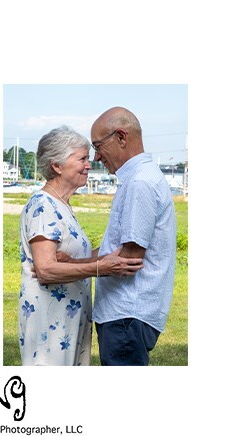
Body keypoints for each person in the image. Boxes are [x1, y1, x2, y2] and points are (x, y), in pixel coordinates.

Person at [18, 126, 143, 366]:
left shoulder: (61, 205)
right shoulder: (42, 205)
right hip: (50, 323)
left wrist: (112, 253)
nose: (89, 164)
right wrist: (102, 268)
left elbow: (77, 256)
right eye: (82, 158)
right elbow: (46, 270)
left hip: (68, 320)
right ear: (57, 165)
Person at [90, 107, 177, 366]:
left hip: (126, 316)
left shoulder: (140, 182)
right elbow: (117, 246)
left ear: (121, 137)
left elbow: (128, 260)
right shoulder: (139, 178)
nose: (95, 157)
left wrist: (68, 268)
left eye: (97, 146)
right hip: (126, 316)